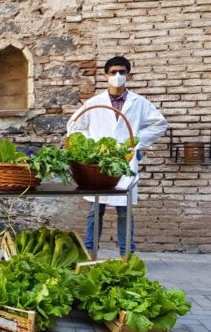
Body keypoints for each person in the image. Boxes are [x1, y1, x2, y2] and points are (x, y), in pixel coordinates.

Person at [67, 56, 168, 257]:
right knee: (96, 211)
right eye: (113, 72)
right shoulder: (95, 103)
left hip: (124, 161)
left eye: (122, 72)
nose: (117, 76)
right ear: (106, 75)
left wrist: (136, 141)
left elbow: (160, 123)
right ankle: (90, 254)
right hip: (98, 164)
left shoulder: (139, 103)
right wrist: (93, 146)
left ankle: (126, 256)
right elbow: (73, 126)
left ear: (128, 74)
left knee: (124, 211)